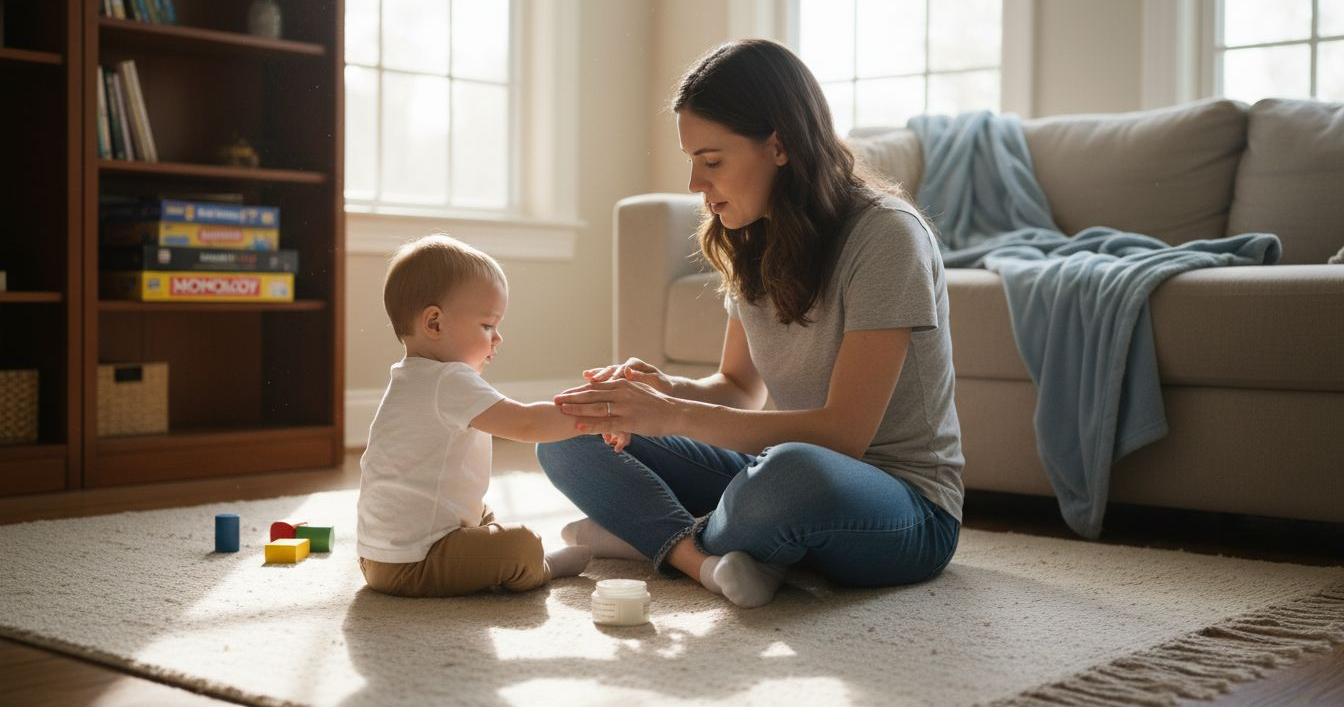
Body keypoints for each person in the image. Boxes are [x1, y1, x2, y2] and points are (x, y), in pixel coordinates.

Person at [537, 39, 963, 608]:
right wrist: (659, 394)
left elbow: (844, 436)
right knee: (569, 428)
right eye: (691, 161)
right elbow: (738, 388)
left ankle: (650, 536)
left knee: (792, 473)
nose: (695, 184)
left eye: (712, 161)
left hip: (905, 507)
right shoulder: (751, 236)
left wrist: (675, 416)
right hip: (774, 477)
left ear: (780, 146)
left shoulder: (887, 235)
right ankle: (706, 547)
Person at [356, 234, 591, 597]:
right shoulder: (448, 378)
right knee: (521, 545)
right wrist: (597, 414)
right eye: (487, 325)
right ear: (434, 323)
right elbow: (526, 423)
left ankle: (492, 555)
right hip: (416, 562)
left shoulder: (410, 376)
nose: (497, 338)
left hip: (380, 557)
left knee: (480, 512)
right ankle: (542, 566)